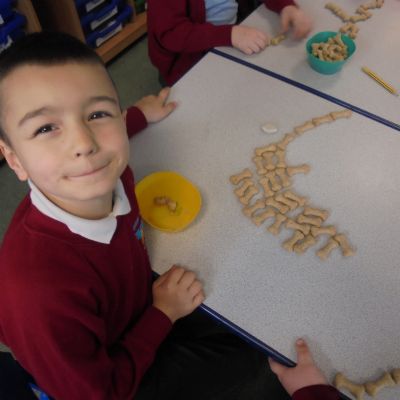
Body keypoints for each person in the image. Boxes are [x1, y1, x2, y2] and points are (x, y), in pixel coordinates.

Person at [0, 31, 339, 400]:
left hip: (133, 307)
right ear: (14, 159)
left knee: (252, 317)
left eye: (97, 114)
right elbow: (102, 393)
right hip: (114, 377)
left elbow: (113, 132)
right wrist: (162, 314)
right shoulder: (38, 294)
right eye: (45, 128)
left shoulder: (107, 173)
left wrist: (138, 115)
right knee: (247, 354)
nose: (84, 144)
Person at [147, 0, 313, 85]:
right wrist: (229, 34)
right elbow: (171, 33)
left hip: (230, 40)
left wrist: (285, 6)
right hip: (188, 61)